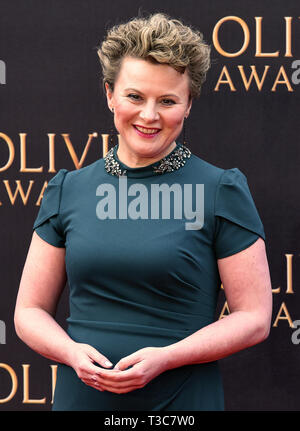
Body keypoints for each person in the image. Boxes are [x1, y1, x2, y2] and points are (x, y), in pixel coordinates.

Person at [14, 12, 272, 411]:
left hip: (181, 399)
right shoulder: (69, 189)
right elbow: (29, 311)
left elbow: (254, 317)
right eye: (135, 96)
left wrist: (169, 356)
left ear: (188, 106)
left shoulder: (220, 190)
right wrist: (70, 353)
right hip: (83, 397)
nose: (149, 116)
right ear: (109, 94)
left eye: (168, 101)